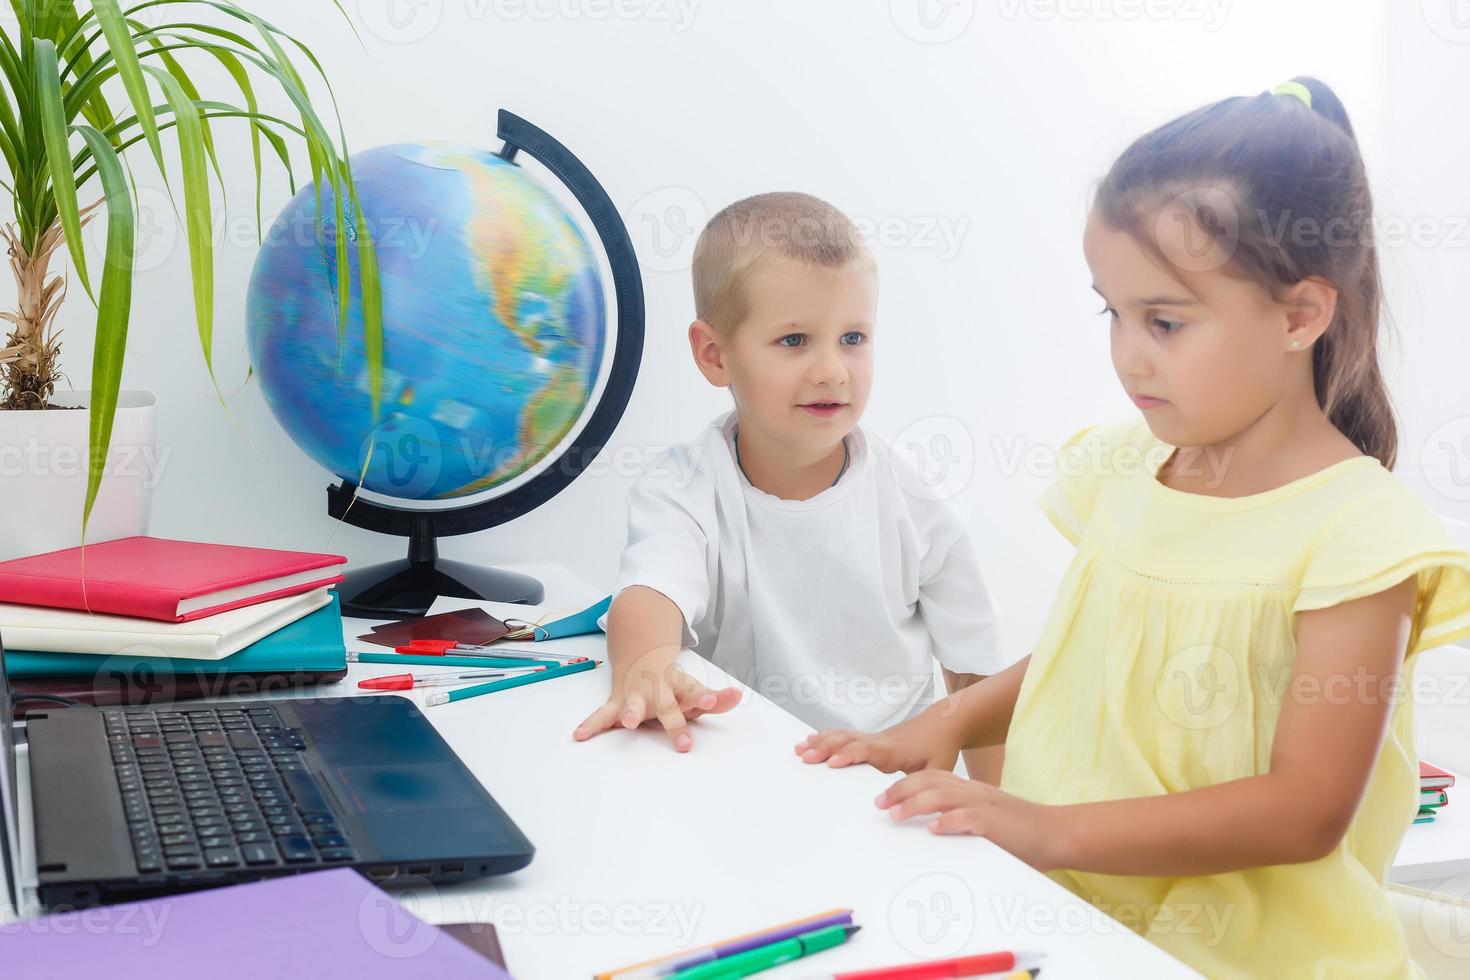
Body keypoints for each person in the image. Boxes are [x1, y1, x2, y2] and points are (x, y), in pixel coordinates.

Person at [796, 79, 1470, 977]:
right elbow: (1100, 650)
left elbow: (1306, 810)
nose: (1127, 354)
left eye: (1165, 320)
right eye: (1111, 312)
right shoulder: (1124, 467)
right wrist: (949, 716)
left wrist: (1049, 829)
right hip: (1081, 931)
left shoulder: (1359, 537)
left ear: (1302, 314)